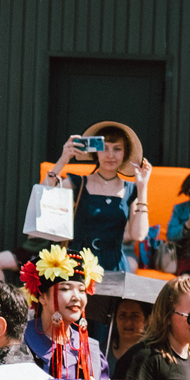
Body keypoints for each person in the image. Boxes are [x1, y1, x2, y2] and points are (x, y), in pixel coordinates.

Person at [60, 124, 152, 339]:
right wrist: (64, 158)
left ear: (125, 153)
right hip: (78, 262)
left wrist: (143, 188)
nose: (110, 155)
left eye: (117, 149)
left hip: (113, 265)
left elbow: (139, 234)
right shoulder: (76, 182)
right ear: (95, 151)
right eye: (105, 148)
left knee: (107, 333)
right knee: (73, 328)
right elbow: (45, 198)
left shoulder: (131, 189)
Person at [20, 244, 106, 380]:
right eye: (65, 289)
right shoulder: (18, 341)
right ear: (42, 297)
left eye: (82, 290)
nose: (76, 297)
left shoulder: (91, 349)